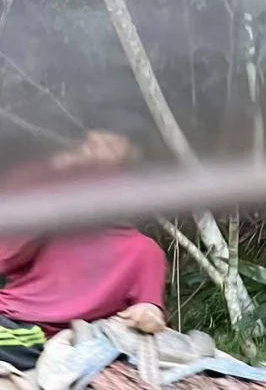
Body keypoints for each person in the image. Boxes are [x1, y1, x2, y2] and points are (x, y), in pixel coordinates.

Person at [0, 127, 167, 372]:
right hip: (10, 317)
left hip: (37, 334)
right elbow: (5, 260)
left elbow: (152, 313)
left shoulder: (143, 251)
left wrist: (148, 313)